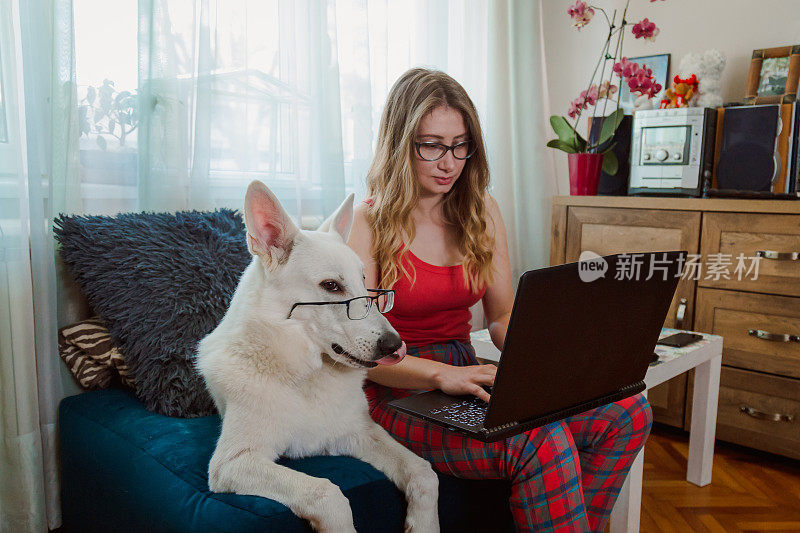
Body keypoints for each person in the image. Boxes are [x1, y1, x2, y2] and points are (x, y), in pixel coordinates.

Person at [346, 67, 652, 533]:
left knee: (627, 413)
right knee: (541, 441)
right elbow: (358, 351)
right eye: (431, 145)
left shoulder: (481, 210)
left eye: (460, 145)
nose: (448, 162)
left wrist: (549, 362)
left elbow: (502, 315)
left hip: (469, 374)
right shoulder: (369, 223)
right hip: (397, 389)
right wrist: (439, 374)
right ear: (399, 143)